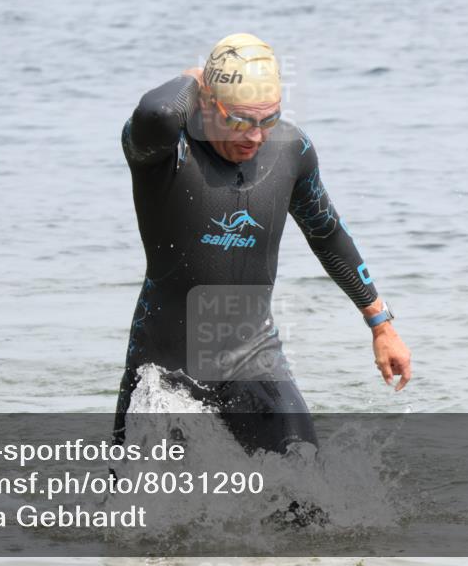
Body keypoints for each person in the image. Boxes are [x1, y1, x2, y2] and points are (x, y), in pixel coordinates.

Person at [113, 33, 412, 456]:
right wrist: (195, 78)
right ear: (206, 103)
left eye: (267, 120)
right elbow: (157, 109)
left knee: (306, 490)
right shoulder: (165, 150)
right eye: (238, 120)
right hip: (163, 369)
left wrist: (381, 324)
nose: (254, 137)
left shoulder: (291, 151)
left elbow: (326, 232)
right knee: (134, 516)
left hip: (252, 359)